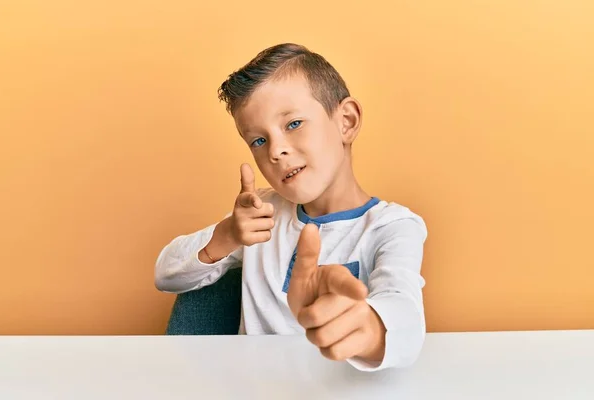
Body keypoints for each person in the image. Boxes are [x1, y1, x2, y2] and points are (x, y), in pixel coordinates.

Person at [155, 43, 428, 371]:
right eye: (258, 140)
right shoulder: (261, 215)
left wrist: (371, 330)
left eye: (294, 124)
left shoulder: (392, 226)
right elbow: (166, 275)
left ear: (346, 121)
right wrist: (227, 235)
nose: (276, 151)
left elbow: (404, 310)